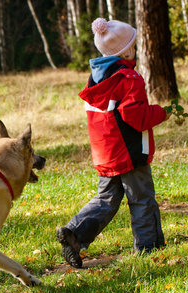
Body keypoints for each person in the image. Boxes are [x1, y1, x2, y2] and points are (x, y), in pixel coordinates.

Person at [56, 18, 171, 268]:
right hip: (129, 152)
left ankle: (74, 234)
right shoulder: (129, 78)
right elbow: (136, 116)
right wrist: (161, 113)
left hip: (105, 152)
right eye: (134, 45)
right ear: (126, 51)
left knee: (106, 199)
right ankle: (149, 247)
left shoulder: (94, 79)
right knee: (141, 197)